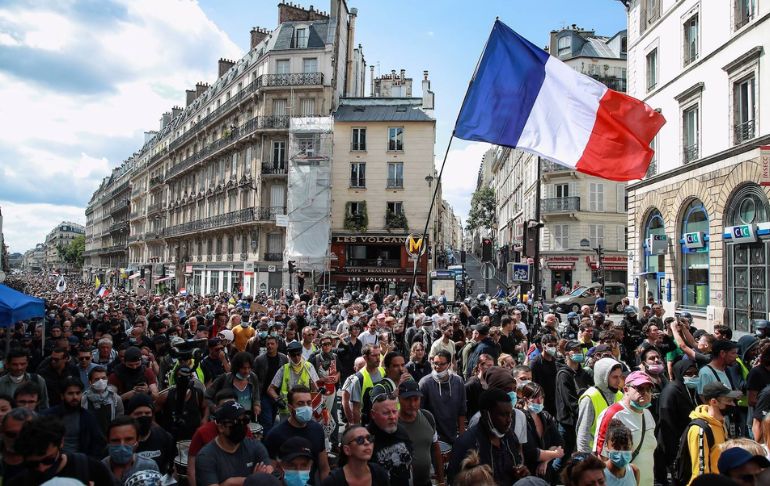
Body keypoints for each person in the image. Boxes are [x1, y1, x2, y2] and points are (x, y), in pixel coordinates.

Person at [449, 388, 526, 485]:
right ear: (486, 415)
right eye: (503, 415)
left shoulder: (509, 436)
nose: (509, 420)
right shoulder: (466, 443)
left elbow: (517, 463)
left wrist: (521, 474)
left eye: (510, 414)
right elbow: (454, 480)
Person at [9, 415, 113, 485]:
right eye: (32, 464)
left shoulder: (91, 469)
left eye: (48, 460)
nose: (42, 468)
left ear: (61, 443)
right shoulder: (19, 482)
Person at [594, 371, 657, 486]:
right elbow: (601, 456)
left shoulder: (648, 414)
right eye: (640, 388)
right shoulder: (613, 414)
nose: (645, 393)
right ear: (626, 390)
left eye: (648, 389)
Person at [263, 385, 330, 484]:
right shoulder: (275, 435)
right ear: (290, 408)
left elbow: (324, 467)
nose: (306, 407)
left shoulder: (317, 430)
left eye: (309, 403)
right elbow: (268, 472)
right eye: (300, 404)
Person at [195, 401, 273, 486]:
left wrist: (229, 483)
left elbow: (268, 476)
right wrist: (252, 481)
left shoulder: (256, 447)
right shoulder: (206, 456)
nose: (241, 425)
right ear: (221, 427)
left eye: (245, 420)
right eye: (235, 422)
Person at [680, 382, 739, 482]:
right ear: (714, 402)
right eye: (728, 401)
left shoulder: (720, 422)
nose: (733, 404)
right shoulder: (700, 430)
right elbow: (699, 472)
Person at [40, 376, 106, 458]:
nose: (75, 397)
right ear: (62, 396)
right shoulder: (49, 416)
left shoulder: (88, 417)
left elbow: (98, 443)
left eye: (78, 393)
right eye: (70, 393)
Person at [398, 379, 445, 486]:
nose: (412, 404)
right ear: (399, 399)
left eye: (416, 399)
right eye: (408, 399)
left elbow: (436, 449)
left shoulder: (428, 417)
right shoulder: (393, 424)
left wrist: (441, 481)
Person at [518, 381, 564, 483]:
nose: (539, 402)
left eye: (542, 398)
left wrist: (545, 461)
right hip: (528, 474)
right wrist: (556, 453)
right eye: (535, 398)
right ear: (526, 399)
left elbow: (559, 443)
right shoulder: (521, 418)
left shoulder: (545, 416)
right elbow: (532, 453)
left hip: (546, 472)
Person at [419, 349, 466, 444]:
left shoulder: (458, 381)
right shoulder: (425, 383)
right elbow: (420, 412)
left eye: (441, 364)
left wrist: (462, 435)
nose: (437, 367)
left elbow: (462, 409)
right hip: (434, 437)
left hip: (453, 435)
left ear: (449, 364)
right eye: (435, 363)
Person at [577, 358, 624, 452]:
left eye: (620, 376)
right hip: (594, 455)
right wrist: (587, 461)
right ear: (604, 377)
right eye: (614, 377)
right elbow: (583, 435)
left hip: (615, 454)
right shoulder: (589, 397)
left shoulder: (620, 395)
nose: (619, 381)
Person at [367, 388, 413, 485]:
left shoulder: (402, 432)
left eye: (394, 411)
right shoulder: (365, 439)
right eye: (386, 413)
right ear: (373, 414)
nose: (392, 417)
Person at [125, 393, 177, 477]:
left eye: (147, 413)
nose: (143, 416)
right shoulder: (122, 440)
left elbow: (171, 467)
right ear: (130, 416)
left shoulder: (164, 437)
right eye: (138, 413)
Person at [321, 425, 390, 486]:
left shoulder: (379, 473)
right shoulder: (332, 481)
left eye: (369, 438)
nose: (367, 442)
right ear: (347, 450)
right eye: (360, 440)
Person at [267, 342, 319, 421]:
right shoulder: (284, 369)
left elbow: (316, 389)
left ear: (301, 353)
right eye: (293, 355)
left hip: (304, 409)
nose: (297, 357)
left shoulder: (309, 367)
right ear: (289, 355)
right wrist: (277, 399)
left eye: (298, 354)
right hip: (287, 410)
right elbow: (270, 389)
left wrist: (316, 389)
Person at [103, 416, 159, 485]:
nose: (122, 445)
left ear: (137, 440)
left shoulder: (149, 466)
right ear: (108, 442)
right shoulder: (100, 468)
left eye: (128, 439)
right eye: (116, 440)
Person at [207, 351, 263, 421]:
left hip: (246, 419)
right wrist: (214, 408)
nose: (247, 371)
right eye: (243, 368)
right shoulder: (225, 379)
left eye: (249, 368)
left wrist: (256, 405)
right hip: (228, 421)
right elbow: (207, 396)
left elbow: (256, 395)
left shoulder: (253, 377)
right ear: (237, 367)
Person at [254, 334, 288, 432]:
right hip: (264, 395)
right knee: (267, 422)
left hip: (278, 395)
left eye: (272, 344)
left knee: (273, 419)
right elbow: (254, 379)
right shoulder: (259, 360)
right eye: (268, 344)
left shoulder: (283, 358)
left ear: (277, 345)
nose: (270, 346)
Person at [348, 344, 384, 425]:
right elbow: (355, 409)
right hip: (368, 423)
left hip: (383, 421)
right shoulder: (358, 379)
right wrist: (358, 429)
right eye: (374, 355)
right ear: (365, 358)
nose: (378, 358)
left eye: (379, 355)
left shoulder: (383, 372)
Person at [0, 407, 35, 484]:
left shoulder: (45, 462)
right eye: (11, 434)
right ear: (1, 431)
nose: (17, 439)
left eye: (24, 435)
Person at [601, 420, 639, 486]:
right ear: (606, 446)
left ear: (632, 446)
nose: (621, 452)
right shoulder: (600, 473)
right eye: (616, 447)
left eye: (626, 447)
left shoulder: (634, 471)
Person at [531, 334, 559, 417]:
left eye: (555, 345)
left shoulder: (556, 362)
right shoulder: (535, 363)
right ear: (543, 345)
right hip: (542, 403)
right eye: (550, 345)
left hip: (555, 402)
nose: (553, 348)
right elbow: (533, 385)